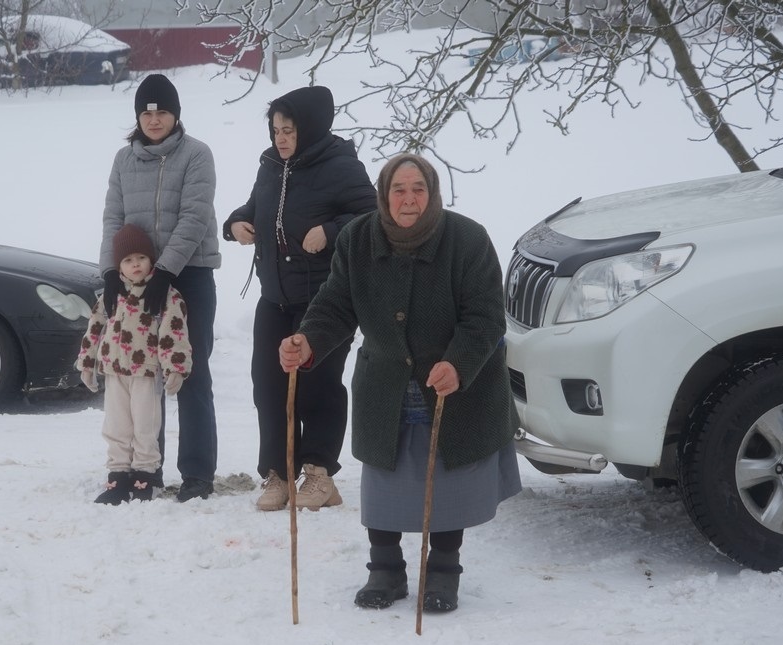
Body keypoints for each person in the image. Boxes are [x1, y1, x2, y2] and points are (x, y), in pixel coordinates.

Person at [278, 153, 521, 613]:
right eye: (399, 190)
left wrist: (459, 363)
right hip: (386, 382)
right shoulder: (357, 239)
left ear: (432, 194)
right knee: (385, 483)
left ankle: (444, 573)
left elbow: (486, 316)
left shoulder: (467, 239)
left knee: (447, 481)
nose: (409, 199)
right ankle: (384, 570)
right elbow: (335, 304)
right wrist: (307, 340)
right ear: (384, 195)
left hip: (452, 383)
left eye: (418, 190)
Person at [224, 85, 377, 513]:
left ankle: (319, 474)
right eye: (275, 130)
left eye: (288, 130)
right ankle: (278, 472)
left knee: (318, 385)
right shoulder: (272, 165)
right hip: (274, 297)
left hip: (325, 300)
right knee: (268, 385)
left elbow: (373, 217)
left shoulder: (340, 166)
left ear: (309, 128)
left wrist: (330, 231)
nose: (281, 139)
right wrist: (236, 223)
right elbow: (256, 207)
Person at [100, 73, 221, 503]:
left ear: (175, 114)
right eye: (147, 112)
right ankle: (146, 470)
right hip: (136, 280)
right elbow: (112, 219)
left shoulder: (196, 155)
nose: (154, 119)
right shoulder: (123, 160)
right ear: (138, 116)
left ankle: (197, 473)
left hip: (188, 275)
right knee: (143, 374)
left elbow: (195, 216)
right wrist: (111, 274)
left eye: (162, 111)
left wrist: (166, 271)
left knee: (188, 371)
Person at [77, 223, 192, 505]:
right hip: (114, 371)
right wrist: (87, 363)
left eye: (141, 257)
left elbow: (174, 331)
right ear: (119, 265)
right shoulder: (111, 293)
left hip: (146, 373)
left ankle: (145, 476)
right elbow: (95, 328)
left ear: (151, 259)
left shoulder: (165, 294)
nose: (135, 264)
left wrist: (175, 367)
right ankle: (118, 475)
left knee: (145, 426)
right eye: (128, 260)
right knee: (116, 426)